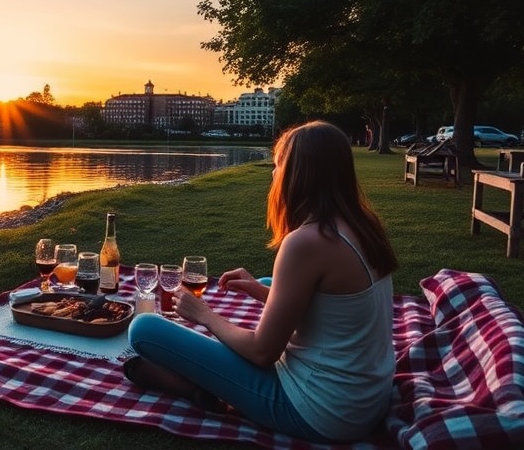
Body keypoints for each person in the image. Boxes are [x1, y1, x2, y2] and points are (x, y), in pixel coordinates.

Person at [125, 120, 397, 442]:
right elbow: (330, 310)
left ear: (299, 175)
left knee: (144, 329)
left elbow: (262, 352)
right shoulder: (362, 226)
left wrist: (202, 314)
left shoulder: (307, 242)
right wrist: (260, 290)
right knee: (270, 281)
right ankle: (193, 385)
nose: (272, 174)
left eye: (278, 165)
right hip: (364, 401)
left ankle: (193, 384)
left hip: (319, 411)